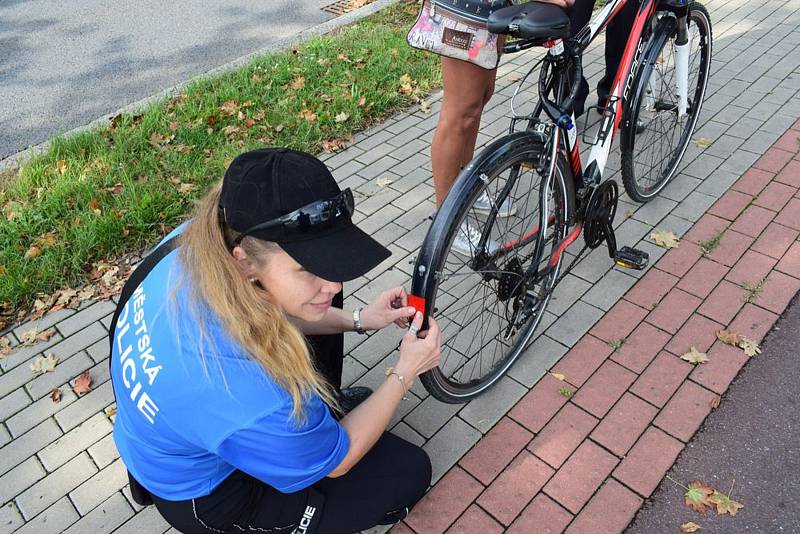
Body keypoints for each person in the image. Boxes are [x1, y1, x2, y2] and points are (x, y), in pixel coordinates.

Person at [110, 148, 442, 534]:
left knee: (317, 303)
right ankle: (296, 452)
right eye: (307, 268)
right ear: (244, 262)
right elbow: (340, 461)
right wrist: (405, 370)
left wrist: (360, 320)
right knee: (408, 473)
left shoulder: (201, 241)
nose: (334, 283)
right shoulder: (248, 390)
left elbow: (268, 315)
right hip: (209, 495)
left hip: (172, 440)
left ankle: (301, 435)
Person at [430, 0, 634, 255]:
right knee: (458, 111)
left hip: (488, 7)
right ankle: (446, 221)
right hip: (465, 8)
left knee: (476, 102)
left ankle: (464, 190)